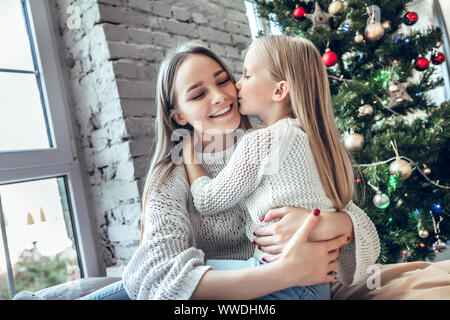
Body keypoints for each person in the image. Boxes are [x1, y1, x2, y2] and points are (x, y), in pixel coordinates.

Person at [81, 42, 369, 300]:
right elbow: (157, 275)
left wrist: (327, 223)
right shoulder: (170, 177)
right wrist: (287, 272)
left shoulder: (266, 140)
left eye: (225, 81)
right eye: (198, 95)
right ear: (178, 115)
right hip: (261, 282)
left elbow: (358, 221)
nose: (220, 96)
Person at [181, 35, 380, 300]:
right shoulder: (311, 138)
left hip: (285, 281)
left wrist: (189, 158)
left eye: (248, 75)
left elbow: (207, 201)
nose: (238, 85)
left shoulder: (262, 140)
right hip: (318, 286)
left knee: (184, 279)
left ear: (279, 91)